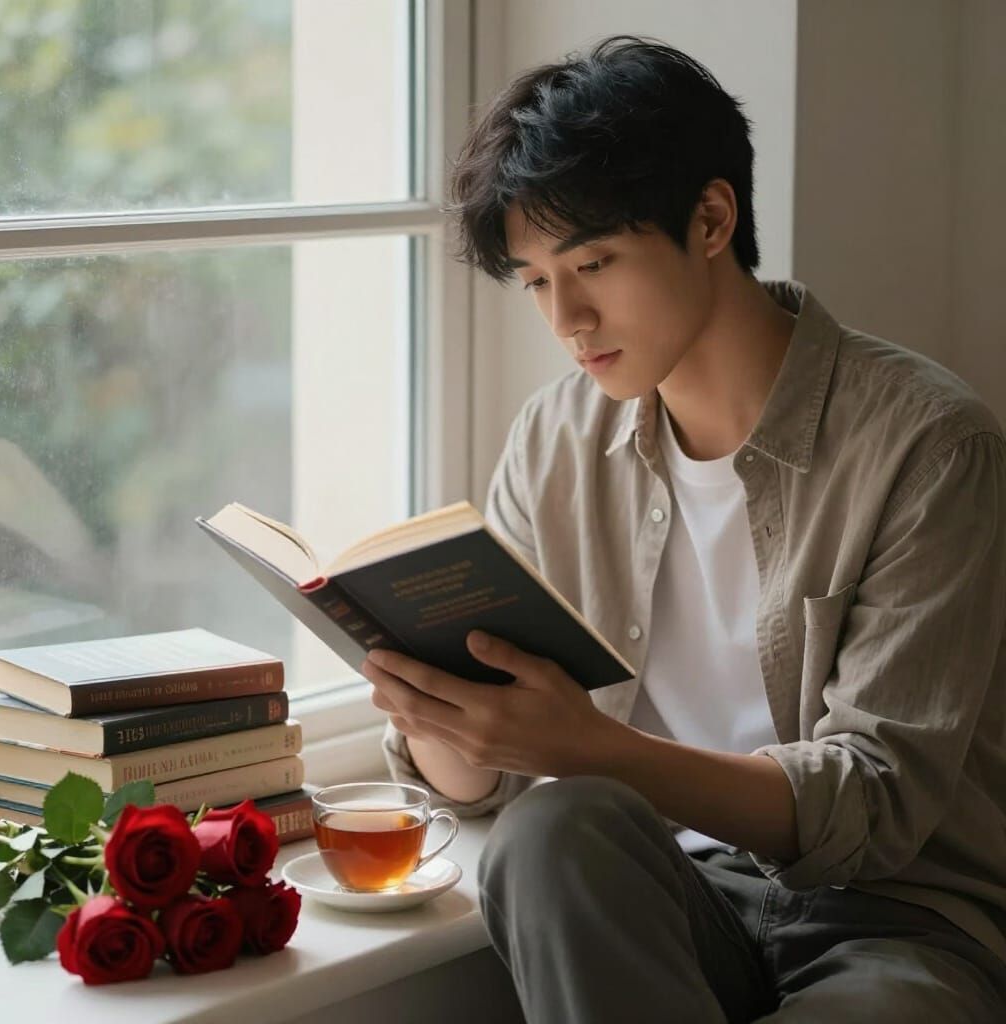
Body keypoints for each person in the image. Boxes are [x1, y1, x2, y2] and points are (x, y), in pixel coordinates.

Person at [363, 34, 1006, 1022]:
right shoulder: (555, 437)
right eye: (535, 280)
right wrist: (441, 718)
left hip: (892, 918)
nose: (567, 317)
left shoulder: (930, 444)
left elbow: (874, 803)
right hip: (667, 893)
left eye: (594, 262)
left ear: (710, 219)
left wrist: (591, 746)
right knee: (549, 827)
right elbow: (481, 794)